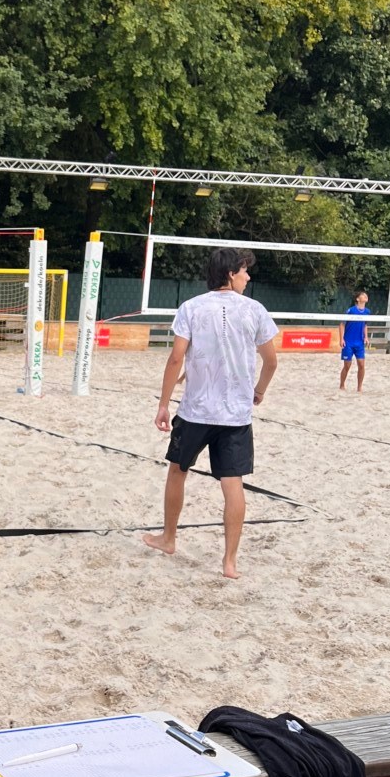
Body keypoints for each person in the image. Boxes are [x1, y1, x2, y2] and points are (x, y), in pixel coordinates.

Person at [143, 245, 279, 579]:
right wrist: (258, 391)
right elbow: (271, 360)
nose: (248, 277)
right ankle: (229, 562)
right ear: (231, 273)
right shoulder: (254, 310)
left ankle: (169, 538)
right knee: (233, 484)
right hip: (235, 415)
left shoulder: (191, 308)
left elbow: (177, 358)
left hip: (196, 411)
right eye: (245, 271)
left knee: (178, 471)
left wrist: (163, 404)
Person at [339, 288, 371, 390]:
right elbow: (341, 325)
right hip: (348, 341)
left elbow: (365, 325)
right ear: (358, 299)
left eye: (366, 295)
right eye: (363, 295)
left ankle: (359, 387)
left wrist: (366, 337)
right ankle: (342, 384)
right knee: (347, 365)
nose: (365, 296)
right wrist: (341, 339)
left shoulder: (367, 311)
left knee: (361, 364)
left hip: (359, 342)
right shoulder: (351, 310)